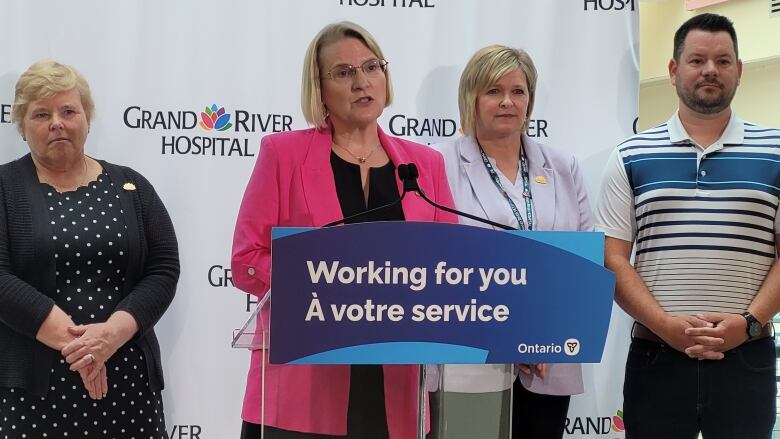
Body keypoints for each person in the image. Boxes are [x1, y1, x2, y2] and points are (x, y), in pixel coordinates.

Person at [231, 21, 457, 439]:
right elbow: (247, 258)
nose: (361, 82)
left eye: (371, 67)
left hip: (398, 383)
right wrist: (326, 288)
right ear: (319, 90)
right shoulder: (282, 154)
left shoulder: (424, 165)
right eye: (344, 73)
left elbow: (450, 267)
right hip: (303, 384)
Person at [595, 13, 780, 438]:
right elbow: (612, 258)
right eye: (697, 60)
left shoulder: (776, 153)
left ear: (739, 70)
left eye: (723, 60)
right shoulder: (630, 155)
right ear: (674, 70)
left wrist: (748, 323)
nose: (711, 70)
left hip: (746, 357)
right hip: (655, 356)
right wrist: (665, 326)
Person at [0, 60, 179, 438]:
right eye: (41, 114)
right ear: (21, 126)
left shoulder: (132, 187)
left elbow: (163, 269)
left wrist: (110, 336)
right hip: (34, 394)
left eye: (68, 111)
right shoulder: (3, 188)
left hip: (128, 385)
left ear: (87, 117)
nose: (57, 123)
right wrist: (83, 350)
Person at [433, 45, 592, 439]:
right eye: (493, 90)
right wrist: (508, 337)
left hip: (550, 355)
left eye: (518, 91)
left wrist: (540, 336)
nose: (507, 101)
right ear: (471, 97)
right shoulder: (438, 163)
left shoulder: (563, 166)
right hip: (469, 360)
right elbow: (433, 266)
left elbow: (585, 260)